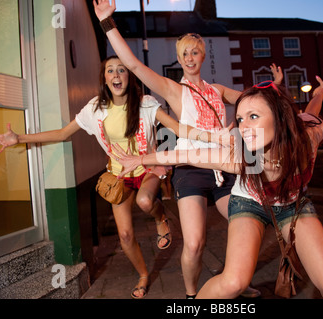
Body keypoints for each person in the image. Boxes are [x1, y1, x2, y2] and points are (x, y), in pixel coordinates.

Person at [0, 56, 222, 299]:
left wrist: (213, 138)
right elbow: (62, 133)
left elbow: (176, 127)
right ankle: (143, 274)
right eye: (111, 71)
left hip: (147, 169)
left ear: (129, 77)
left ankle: (161, 218)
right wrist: (19, 139)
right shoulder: (94, 109)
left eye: (122, 70)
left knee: (145, 202)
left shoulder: (146, 104)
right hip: (118, 175)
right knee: (125, 235)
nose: (116, 74)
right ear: (105, 78)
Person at [93, 0, 284, 299]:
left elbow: (251, 100)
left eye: (195, 52)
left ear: (202, 54)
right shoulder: (174, 90)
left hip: (224, 170)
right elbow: (133, 65)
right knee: (194, 243)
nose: (190, 57)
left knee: (246, 225)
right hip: (191, 169)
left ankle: (237, 277)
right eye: (184, 54)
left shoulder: (217, 90)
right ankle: (192, 295)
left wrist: (273, 87)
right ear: (179, 59)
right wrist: (107, 22)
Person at [110, 76, 323, 299]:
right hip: (250, 203)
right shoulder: (242, 156)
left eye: (253, 116)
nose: (243, 126)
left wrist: (320, 93)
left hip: (293, 206)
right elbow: (187, 155)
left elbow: (311, 113)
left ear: (279, 116)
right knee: (234, 282)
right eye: (239, 119)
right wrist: (139, 160)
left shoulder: (309, 136)